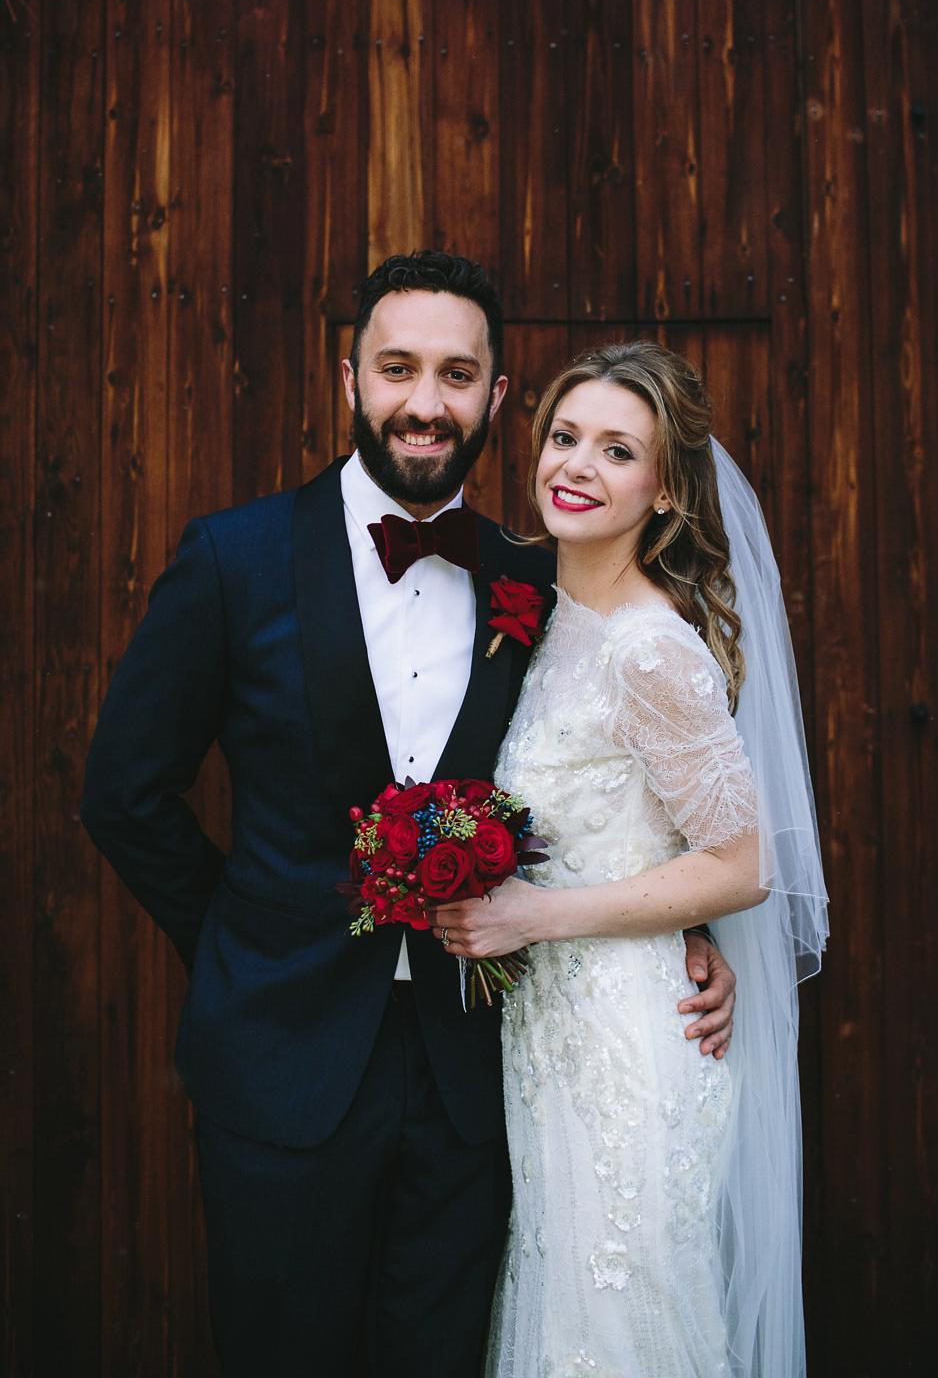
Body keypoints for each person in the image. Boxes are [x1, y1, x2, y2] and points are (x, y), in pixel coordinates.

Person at [81, 255, 737, 1378]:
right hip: (280, 1065)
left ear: (494, 391)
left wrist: (686, 926)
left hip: (477, 1072)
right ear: (351, 380)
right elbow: (124, 795)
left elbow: (609, 777)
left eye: (456, 374)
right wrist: (241, 944)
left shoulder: (541, 576)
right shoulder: (231, 560)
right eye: (397, 369)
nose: (425, 402)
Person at [430, 342, 829, 1377]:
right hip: (548, 1038)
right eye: (566, 438)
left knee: (620, 1320)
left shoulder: (652, 649)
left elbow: (742, 864)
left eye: (618, 451)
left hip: (626, 1045)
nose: (577, 466)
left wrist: (531, 917)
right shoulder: (541, 610)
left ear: (663, 489)